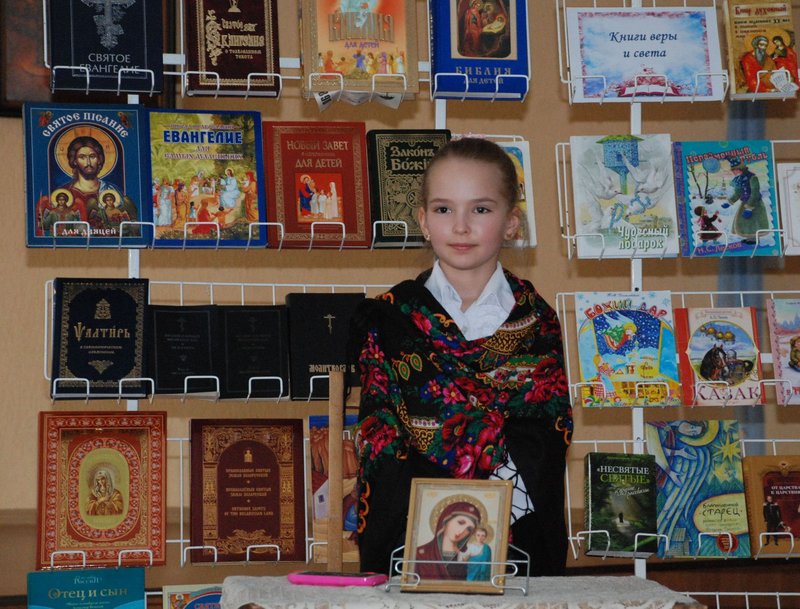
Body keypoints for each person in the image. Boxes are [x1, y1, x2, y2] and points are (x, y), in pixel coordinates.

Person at [349, 137, 573, 576]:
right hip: (411, 544)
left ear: (511, 222)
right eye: (443, 209)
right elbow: (381, 440)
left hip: (516, 546)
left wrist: (476, 472)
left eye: (481, 209)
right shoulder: (389, 320)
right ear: (423, 220)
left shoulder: (538, 321)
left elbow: (545, 442)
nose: (461, 226)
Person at [414, 500, 479, 580]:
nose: (462, 531)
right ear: (446, 521)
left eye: (469, 529)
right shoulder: (420, 554)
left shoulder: (466, 557)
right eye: (460, 522)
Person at [727, 156, 769, 245]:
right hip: (745, 202)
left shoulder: (752, 178)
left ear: (740, 168)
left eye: (734, 170)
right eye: (732, 170)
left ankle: (754, 238)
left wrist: (749, 207)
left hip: (755, 204)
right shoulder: (739, 179)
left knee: (754, 221)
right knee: (745, 221)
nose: (733, 172)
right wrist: (730, 202)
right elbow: (738, 193)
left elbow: (755, 193)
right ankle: (749, 237)